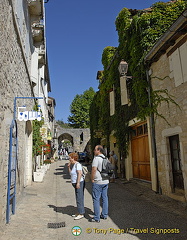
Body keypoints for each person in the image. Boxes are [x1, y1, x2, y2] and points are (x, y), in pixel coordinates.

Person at [90, 145, 109, 222]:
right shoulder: (106, 158)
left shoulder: (96, 159)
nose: (94, 151)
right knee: (105, 198)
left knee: (96, 199)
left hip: (98, 181)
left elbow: (94, 169)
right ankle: (104, 215)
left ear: (99, 150)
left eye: (95, 150)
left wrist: (92, 178)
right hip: (105, 180)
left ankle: (96, 217)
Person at [68, 152, 85, 220]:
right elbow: (71, 173)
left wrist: (78, 183)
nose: (69, 159)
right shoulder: (74, 165)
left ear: (73, 158)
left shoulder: (78, 165)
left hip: (79, 182)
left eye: (70, 158)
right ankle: (79, 211)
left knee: (79, 197)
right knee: (78, 197)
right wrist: (69, 167)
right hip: (75, 183)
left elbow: (79, 173)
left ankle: (81, 213)